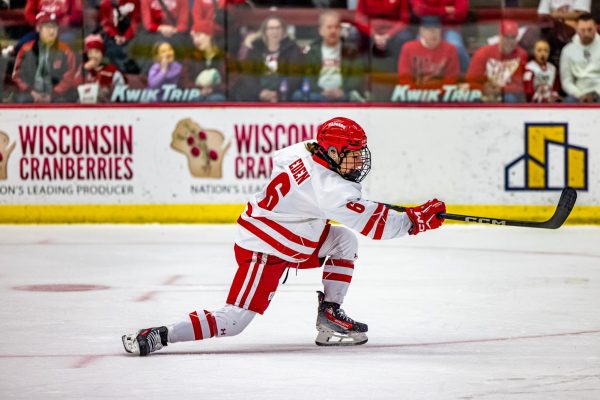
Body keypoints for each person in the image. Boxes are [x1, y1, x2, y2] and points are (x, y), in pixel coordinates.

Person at [122, 116, 446, 355]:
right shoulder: (330, 188)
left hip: (291, 236)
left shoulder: (302, 151)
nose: (359, 159)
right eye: (352, 152)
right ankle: (161, 334)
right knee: (235, 320)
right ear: (331, 151)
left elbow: (290, 166)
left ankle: (329, 315)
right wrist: (413, 221)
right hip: (265, 248)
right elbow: (373, 224)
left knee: (344, 241)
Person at [292, 10, 368, 102]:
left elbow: (356, 76)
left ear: (340, 30)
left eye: (336, 27)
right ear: (321, 31)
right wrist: (322, 91)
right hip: (319, 94)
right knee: (297, 96)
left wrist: (342, 90)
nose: (333, 31)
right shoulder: (311, 51)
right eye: (329, 27)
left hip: (344, 94)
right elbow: (308, 77)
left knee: (353, 96)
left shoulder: (351, 51)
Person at [233, 16, 303, 102]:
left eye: (278, 28)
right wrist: (260, 92)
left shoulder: (292, 48)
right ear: (265, 31)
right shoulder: (256, 48)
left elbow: (295, 76)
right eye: (271, 28)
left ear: (283, 30)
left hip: (283, 93)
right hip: (257, 93)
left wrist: (278, 94)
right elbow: (248, 74)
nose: (275, 31)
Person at [12, 11, 77, 103]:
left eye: (54, 27)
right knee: (23, 100)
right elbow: (17, 76)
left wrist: (53, 94)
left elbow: (69, 76)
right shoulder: (26, 49)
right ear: (38, 28)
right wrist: (31, 92)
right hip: (30, 93)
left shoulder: (65, 50)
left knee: (61, 102)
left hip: (57, 94)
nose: (52, 31)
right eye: (47, 27)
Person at [466, 20, 528, 103]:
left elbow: (520, 86)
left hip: (507, 94)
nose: (509, 41)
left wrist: (501, 89)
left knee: (510, 98)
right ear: (500, 36)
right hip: (483, 92)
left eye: (513, 37)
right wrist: (485, 88)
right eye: (506, 37)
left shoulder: (521, 55)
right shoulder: (483, 53)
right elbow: (471, 80)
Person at [397, 16, 460, 91]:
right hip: (415, 96)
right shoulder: (408, 48)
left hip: (440, 96)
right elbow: (404, 78)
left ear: (440, 31)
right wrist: (417, 94)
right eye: (429, 30)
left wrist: (436, 93)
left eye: (436, 29)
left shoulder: (450, 49)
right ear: (421, 31)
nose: (433, 34)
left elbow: (451, 78)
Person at [410, 0, 470, 73]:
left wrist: (431, 12)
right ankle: (415, 81)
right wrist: (445, 10)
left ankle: (468, 78)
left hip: (450, 28)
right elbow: (419, 10)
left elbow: (461, 13)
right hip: (427, 28)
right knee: (416, 48)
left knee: (456, 47)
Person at [182, 20, 227, 102]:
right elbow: (185, 81)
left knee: (215, 99)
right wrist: (199, 88)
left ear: (209, 36)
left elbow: (229, 81)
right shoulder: (190, 58)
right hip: (196, 94)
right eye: (193, 37)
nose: (195, 41)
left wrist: (213, 89)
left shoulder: (224, 57)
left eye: (198, 36)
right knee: (196, 99)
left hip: (218, 94)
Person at [559, 13, 600, 103]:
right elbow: (566, 81)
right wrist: (580, 95)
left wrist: (595, 93)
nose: (586, 33)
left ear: (596, 28)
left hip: (598, 91)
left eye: (590, 30)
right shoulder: (567, 50)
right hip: (578, 93)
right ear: (576, 29)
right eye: (582, 30)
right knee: (568, 102)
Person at [76, 34, 126, 103]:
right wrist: (85, 70)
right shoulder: (83, 69)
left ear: (102, 54)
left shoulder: (112, 71)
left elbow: (121, 94)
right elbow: (75, 89)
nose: (93, 55)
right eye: (90, 52)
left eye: (96, 52)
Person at [99, 0, 141, 73]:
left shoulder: (135, 1)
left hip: (132, 35)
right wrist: (115, 36)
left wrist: (126, 37)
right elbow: (106, 23)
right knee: (111, 48)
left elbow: (135, 21)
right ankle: (121, 73)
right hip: (114, 36)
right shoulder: (105, 3)